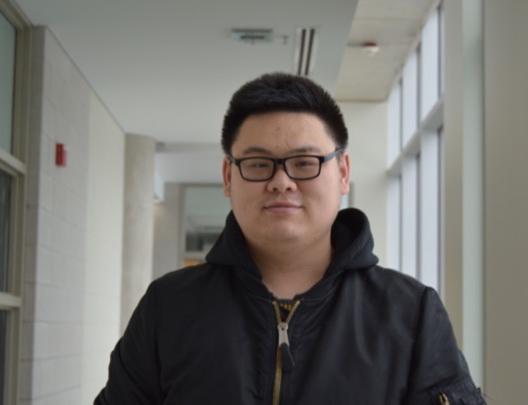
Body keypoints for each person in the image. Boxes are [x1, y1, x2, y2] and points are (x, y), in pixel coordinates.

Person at [95, 72, 485, 404]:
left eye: (304, 163)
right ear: (229, 177)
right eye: (259, 164)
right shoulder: (168, 307)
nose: (281, 182)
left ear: (343, 173)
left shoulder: (411, 313)